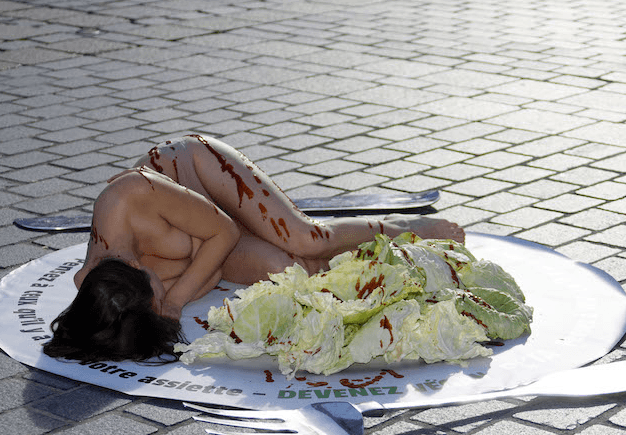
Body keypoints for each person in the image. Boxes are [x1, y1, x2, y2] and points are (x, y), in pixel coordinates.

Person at [43, 134, 465, 362]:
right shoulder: (99, 285)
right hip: (207, 236)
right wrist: (184, 285)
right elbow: (208, 268)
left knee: (305, 238)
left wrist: (173, 300)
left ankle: (401, 225)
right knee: (292, 269)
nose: (161, 303)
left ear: (134, 264)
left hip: (202, 175)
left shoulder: (130, 196)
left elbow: (223, 233)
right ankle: (394, 259)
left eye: (153, 296)